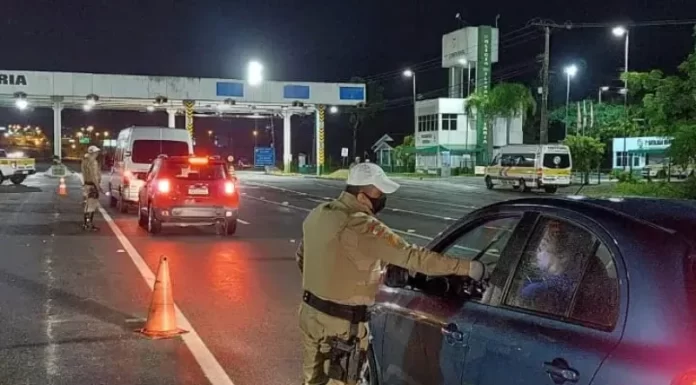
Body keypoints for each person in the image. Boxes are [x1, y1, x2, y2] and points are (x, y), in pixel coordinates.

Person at [296, 162, 486, 385]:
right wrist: (469, 268)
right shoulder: (362, 226)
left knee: (311, 380)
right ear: (362, 196)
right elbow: (414, 257)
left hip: (310, 315)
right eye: (380, 193)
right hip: (341, 328)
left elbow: (302, 258)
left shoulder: (319, 214)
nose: (383, 198)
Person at [81, 145, 102, 231]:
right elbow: (94, 176)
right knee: (92, 205)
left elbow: (83, 173)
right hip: (92, 186)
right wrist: (98, 187)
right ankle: (90, 224)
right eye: (96, 152)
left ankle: (85, 223)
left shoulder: (84, 162)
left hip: (86, 185)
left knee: (87, 205)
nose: (97, 153)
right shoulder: (93, 162)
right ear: (93, 153)